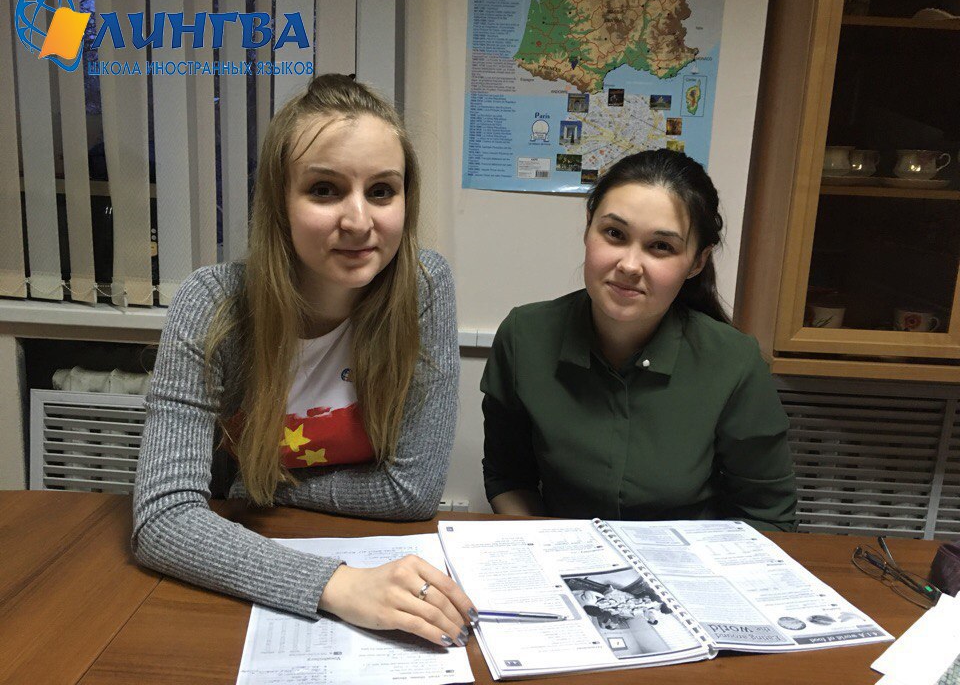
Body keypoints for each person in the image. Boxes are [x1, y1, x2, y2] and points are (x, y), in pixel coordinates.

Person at [133, 74, 475, 648]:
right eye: (324, 190)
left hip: (274, 529)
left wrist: (253, 487)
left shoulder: (424, 287)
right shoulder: (211, 304)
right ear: (279, 203)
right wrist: (338, 587)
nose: (359, 221)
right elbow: (164, 519)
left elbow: (411, 491)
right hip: (222, 586)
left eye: (382, 191)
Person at [481, 148, 797, 531]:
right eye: (614, 234)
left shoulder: (735, 362)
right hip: (563, 555)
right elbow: (508, 478)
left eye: (661, 246)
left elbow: (767, 516)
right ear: (588, 228)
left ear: (697, 262)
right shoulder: (524, 337)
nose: (629, 266)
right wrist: (545, 546)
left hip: (688, 561)